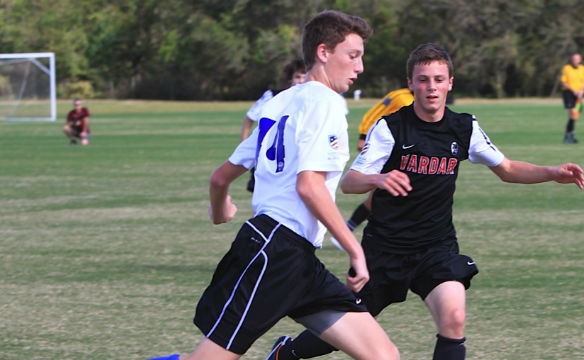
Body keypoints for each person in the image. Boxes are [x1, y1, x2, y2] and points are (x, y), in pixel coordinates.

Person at [266, 43, 584, 360]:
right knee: (346, 331)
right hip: (384, 250)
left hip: (436, 247)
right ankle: (287, 352)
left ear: (450, 83)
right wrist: (378, 178)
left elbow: (508, 169)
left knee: (454, 316)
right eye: (422, 79)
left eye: (438, 79)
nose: (430, 87)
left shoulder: (464, 127)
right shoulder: (391, 128)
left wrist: (552, 172)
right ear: (410, 83)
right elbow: (349, 183)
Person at [148, 10, 399, 360]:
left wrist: (220, 210)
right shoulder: (326, 102)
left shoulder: (278, 103)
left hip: (297, 258)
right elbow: (308, 187)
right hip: (275, 251)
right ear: (323, 52)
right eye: (353, 56)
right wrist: (355, 250)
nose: (360, 67)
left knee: (382, 354)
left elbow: (220, 178)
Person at [329, 88, 414, 251]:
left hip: (402, 152)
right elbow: (374, 113)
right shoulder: (400, 97)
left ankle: (345, 233)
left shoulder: (414, 99)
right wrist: (363, 135)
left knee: (376, 199)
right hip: (386, 150)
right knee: (381, 197)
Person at [242, 59, 307, 192]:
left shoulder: (311, 100)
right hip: (269, 154)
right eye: (297, 76)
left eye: (304, 77)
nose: (301, 80)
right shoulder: (272, 96)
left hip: (294, 157)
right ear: (290, 78)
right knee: (261, 195)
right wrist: (244, 145)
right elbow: (250, 118)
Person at [560, 53, 584, 144]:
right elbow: (563, 83)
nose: (575, 61)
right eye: (573, 59)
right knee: (573, 112)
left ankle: (569, 135)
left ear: (580, 60)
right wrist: (574, 90)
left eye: (577, 59)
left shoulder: (583, 69)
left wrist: (582, 92)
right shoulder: (566, 68)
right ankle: (569, 135)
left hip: (578, 94)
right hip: (568, 93)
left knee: (574, 114)